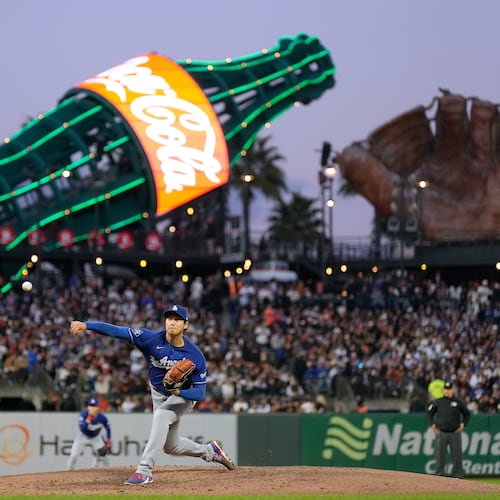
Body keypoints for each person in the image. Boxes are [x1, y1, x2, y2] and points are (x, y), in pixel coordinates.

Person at [70, 304, 235, 485]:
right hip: (158, 393)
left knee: (161, 415)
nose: (172, 323)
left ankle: (144, 471)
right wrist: (87, 325)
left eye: (177, 319)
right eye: (169, 318)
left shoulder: (195, 355)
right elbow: (118, 331)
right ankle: (210, 452)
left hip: (183, 395)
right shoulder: (150, 339)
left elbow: (200, 392)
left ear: (186, 325)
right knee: (170, 446)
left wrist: (179, 391)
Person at [427, 381, 471, 479]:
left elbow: (467, 414)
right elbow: (430, 412)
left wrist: (463, 424)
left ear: (452, 390)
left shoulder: (458, 402)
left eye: (449, 389)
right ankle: (439, 475)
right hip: (441, 432)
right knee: (440, 456)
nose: (447, 391)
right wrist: (432, 424)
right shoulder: (438, 401)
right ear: (444, 390)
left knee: (457, 456)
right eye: (446, 389)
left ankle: (458, 475)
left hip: (454, 432)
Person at [67, 397, 112, 470]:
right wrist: (88, 419)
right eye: (91, 406)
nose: (93, 408)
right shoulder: (83, 415)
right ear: (88, 407)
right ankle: (68, 472)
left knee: (104, 458)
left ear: (98, 407)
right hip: (82, 437)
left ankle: (108, 477)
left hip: (96, 438)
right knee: (74, 455)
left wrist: (109, 440)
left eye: (94, 406)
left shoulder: (102, 417)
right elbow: (82, 428)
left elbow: (108, 429)